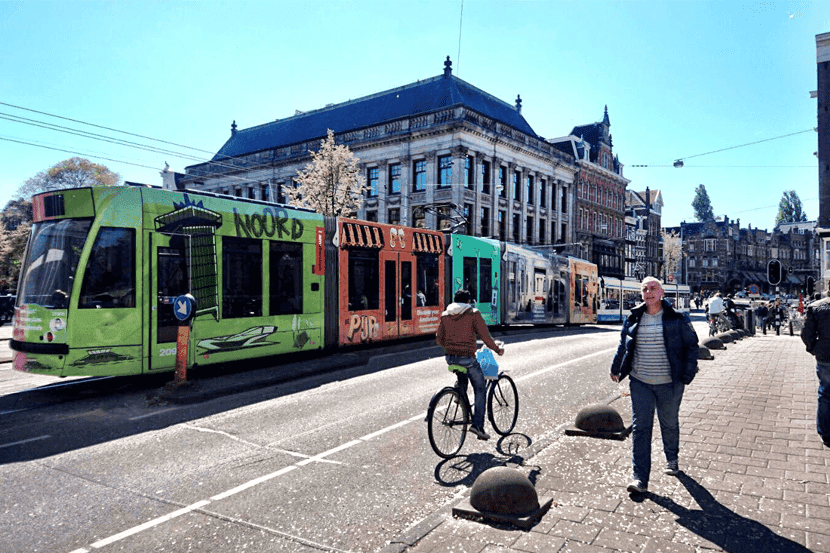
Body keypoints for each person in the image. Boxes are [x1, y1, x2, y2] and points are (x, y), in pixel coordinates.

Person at [610, 276, 699, 494]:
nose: (648, 292)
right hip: (640, 382)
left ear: (661, 293)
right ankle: (640, 478)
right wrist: (615, 368)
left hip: (669, 382)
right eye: (645, 289)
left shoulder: (677, 318)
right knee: (641, 429)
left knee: (668, 423)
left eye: (653, 288)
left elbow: (691, 346)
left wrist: (686, 375)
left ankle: (672, 459)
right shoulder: (633, 317)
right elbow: (624, 344)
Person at [436, 289, 504, 440]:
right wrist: (497, 349)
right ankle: (478, 426)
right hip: (467, 358)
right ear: (468, 301)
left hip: (450, 358)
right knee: (480, 388)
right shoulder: (473, 313)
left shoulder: (445, 315)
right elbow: (485, 336)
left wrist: (450, 347)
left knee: (463, 375)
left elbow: (439, 339)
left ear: (454, 300)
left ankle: (459, 392)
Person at [800, 291, 830, 447]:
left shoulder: (816, 307)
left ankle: (826, 433)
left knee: (825, 394)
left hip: (825, 357)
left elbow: (806, 333)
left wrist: (813, 349)